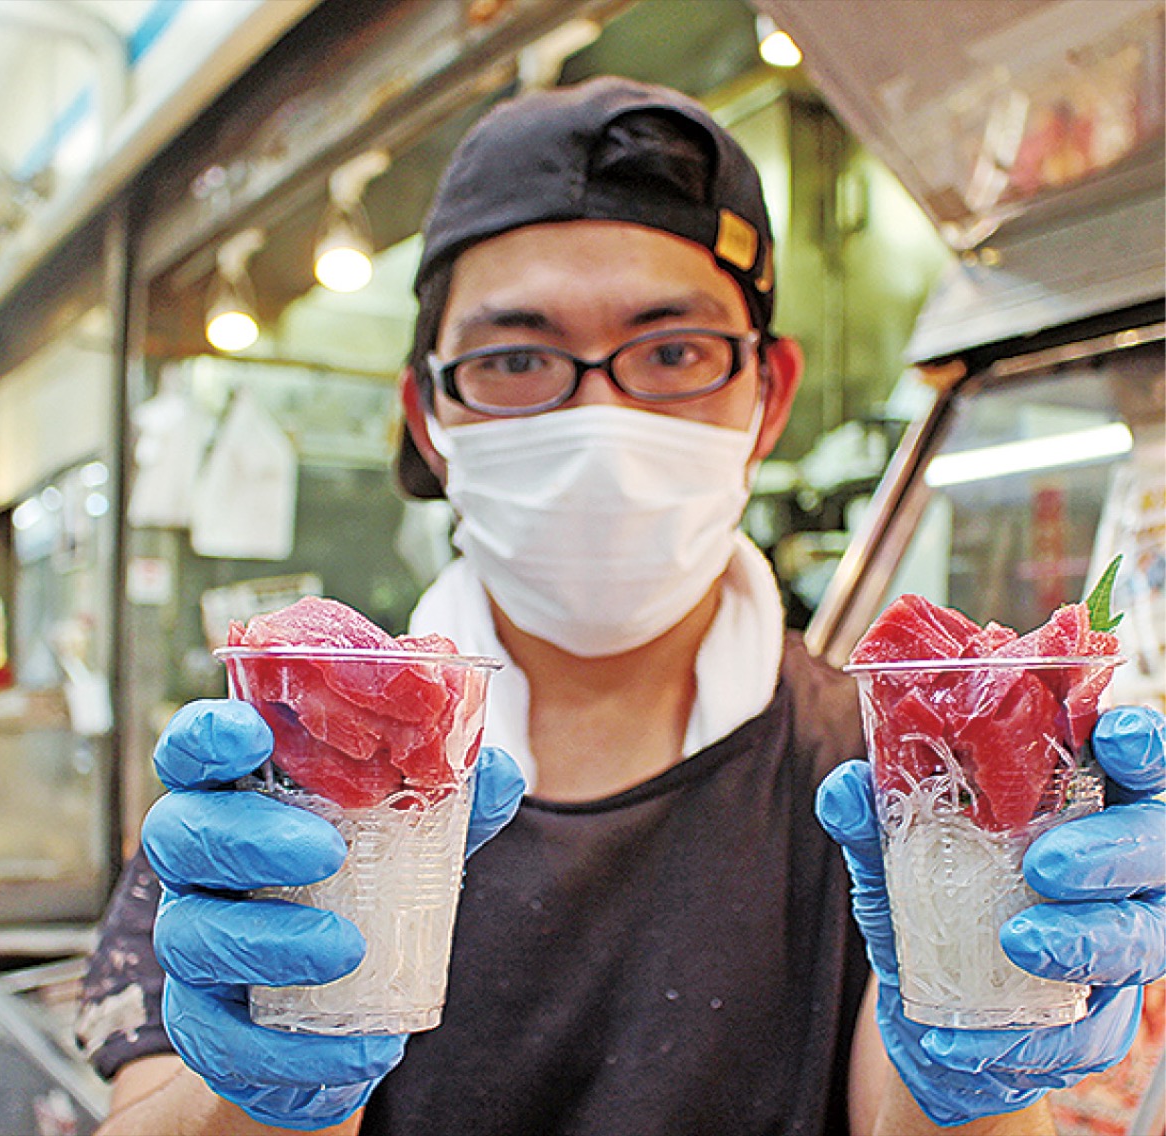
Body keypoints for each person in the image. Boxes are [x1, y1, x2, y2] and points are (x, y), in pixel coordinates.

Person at [76, 77, 1165, 1136]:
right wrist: (248, 1096)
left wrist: (979, 1063)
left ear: (767, 392)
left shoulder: (895, 764)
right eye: (515, 357)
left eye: (672, 350)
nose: (598, 414)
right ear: (428, 414)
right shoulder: (286, 767)